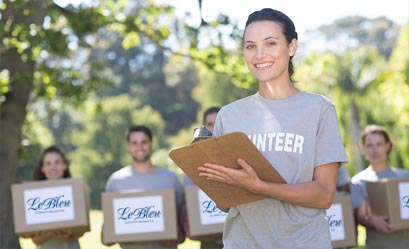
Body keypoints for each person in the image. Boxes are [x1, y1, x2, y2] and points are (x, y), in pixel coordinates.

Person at [197, 8, 348, 249]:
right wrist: (213, 176)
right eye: (250, 46)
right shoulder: (229, 115)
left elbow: (323, 194)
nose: (259, 54)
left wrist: (259, 186)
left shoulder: (319, 109)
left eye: (270, 43)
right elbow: (224, 204)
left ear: (291, 47)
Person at [103, 125, 185, 249]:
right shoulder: (115, 181)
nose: (139, 147)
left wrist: (175, 236)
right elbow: (106, 238)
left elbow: (182, 232)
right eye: (134, 143)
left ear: (151, 143)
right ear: (128, 146)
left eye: (144, 142)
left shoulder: (170, 179)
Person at [350, 124, 409, 248]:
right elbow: (360, 217)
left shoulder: (405, 177)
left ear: (387, 146)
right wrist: (372, 220)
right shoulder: (358, 181)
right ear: (363, 148)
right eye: (369, 145)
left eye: (379, 144)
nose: (374, 150)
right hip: (376, 245)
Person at [27, 145, 85, 249]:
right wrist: (38, 238)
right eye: (48, 163)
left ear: (64, 166)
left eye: (57, 162)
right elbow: (30, 232)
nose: (53, 167)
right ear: (42, 168)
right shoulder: (33, 197)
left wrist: (70, 235)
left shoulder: (76, 192)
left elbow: (83, 226)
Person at [183, 107, 224, 249]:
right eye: (210, 124)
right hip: (208, 243)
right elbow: (189, 208)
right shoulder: (190, 168)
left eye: (218, 122)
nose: (214, 128)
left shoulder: (242, 159)